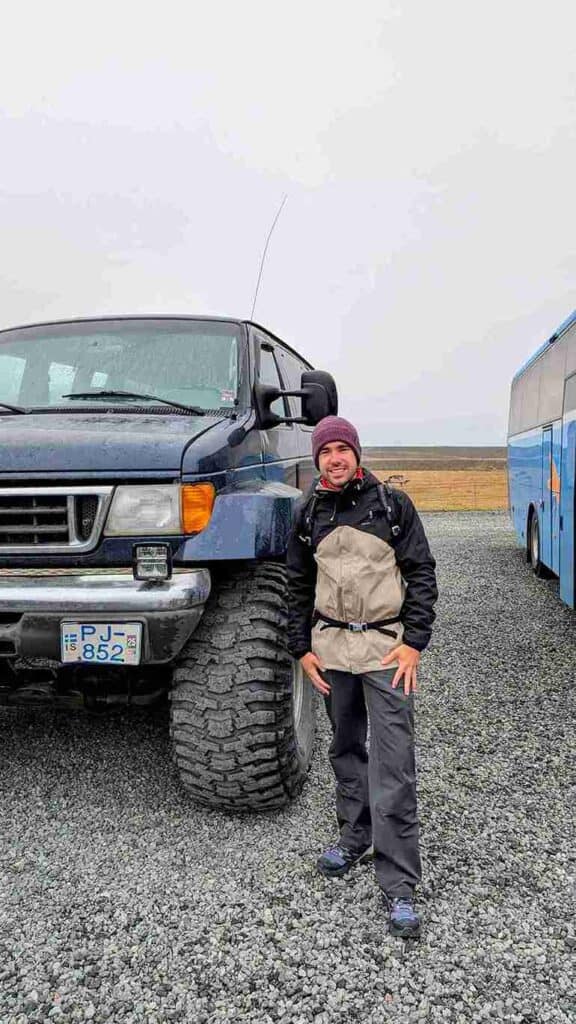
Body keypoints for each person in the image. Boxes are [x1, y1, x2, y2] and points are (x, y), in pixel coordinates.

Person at [286, 416, 437, 938]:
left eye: (341, 448)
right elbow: (297, 583)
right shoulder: (308, 512)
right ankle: (354, 837)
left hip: (385, 651)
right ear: (316, 459)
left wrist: (414, 644)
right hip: (331, 652)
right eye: (325, 450)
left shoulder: (392, 506)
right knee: (346, 747)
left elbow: (421, 573)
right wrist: (301, 649)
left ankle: (398, 884)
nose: (334, 458)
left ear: (356, 453)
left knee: (393, 763)